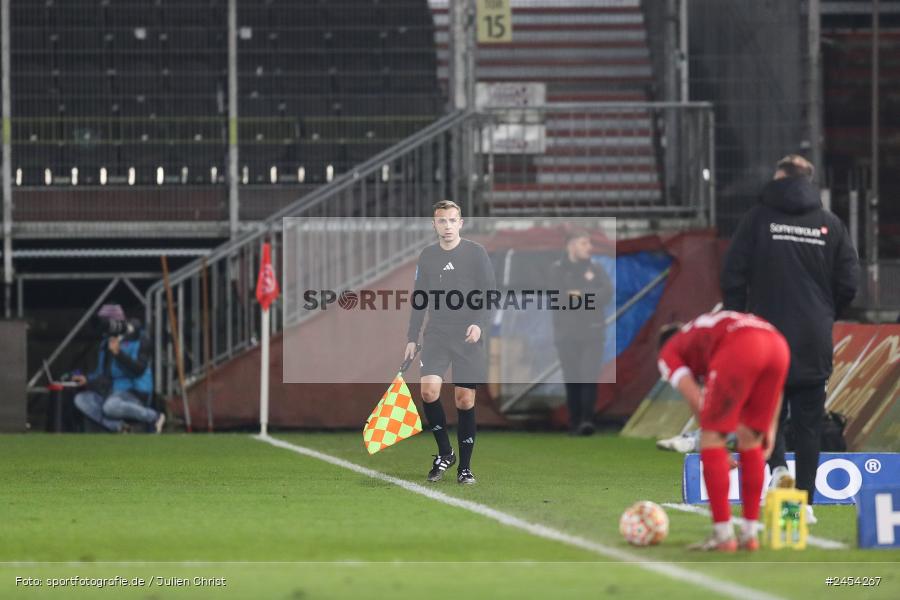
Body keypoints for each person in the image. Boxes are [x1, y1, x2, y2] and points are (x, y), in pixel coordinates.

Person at [720, 154, 859, 524]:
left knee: (766, 413)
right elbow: (849, 283)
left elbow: (733, 272)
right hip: (813, 335)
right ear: (809, 181)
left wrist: (738, 319)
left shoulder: (758, 220)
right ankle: (805, 505)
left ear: (779, 177)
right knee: (809, 424)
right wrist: (826, 313)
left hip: (765, 335)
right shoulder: (831, 225)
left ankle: (778, 467)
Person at [658, 310, 790, 552]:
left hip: (743, 347)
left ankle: (723, 536)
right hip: (778, 345)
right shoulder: (707, 330)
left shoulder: (669, 352)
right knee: (750, 442)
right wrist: (770, 426)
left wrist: (714, 446)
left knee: (711, 438)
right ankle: (750, 535)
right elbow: (777, 389)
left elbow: (696, 398)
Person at [405, 200, 497, 485]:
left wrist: (479, 324)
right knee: (429, 392)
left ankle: (464, 468)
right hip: (437, 334)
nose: (447, 226)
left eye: (452, 220)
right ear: (434, 225)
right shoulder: (427, 256)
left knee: (464, 399)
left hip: (467, 336)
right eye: (441, 221)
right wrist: (412, 337)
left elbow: (490, 293)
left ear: (461, 223)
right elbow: (419, 300)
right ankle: (445, 453)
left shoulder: (475, 253)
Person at [549, 229, 613, 435]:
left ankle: (587, 421)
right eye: (584, 243)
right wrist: (590, 297)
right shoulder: (557, 270)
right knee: (572, 377)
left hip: (592, 332)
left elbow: (607, 293)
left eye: (589, 243)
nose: (589, 248)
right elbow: (558, 299)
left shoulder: (596, 268)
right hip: (566, 334)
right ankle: (574, 422)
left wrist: (579, 295)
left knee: (588, 376)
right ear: (571, 245)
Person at [73, 304, 164, 433]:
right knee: (81, 399)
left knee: (110, 406)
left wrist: (119, 353)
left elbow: (139, 370)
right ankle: (120, 427)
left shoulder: (139, 339)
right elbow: (101, 373)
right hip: (112, 392)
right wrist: (87, 379)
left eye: (105, 323)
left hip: (135, 392)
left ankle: (154, 417)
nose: (103, 329)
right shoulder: (105, 343)